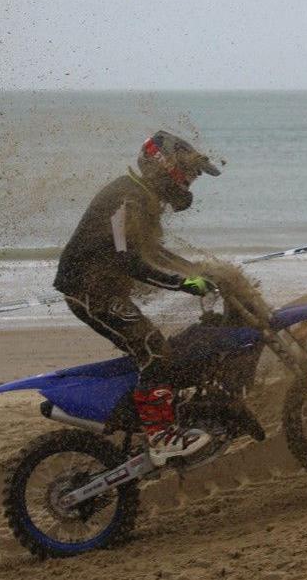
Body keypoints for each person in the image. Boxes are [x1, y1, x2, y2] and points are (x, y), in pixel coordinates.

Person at [53, 131, 221, 467]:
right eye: (188, 174)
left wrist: (202, 271)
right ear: (166, 165)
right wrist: (184, 282)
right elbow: (127, 259)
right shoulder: (128, 198)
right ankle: (161, 438)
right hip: (90, 290)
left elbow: (152, 251)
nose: (190, 183)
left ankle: (159, 416)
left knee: (161, 352)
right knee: (153, 350)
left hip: (102, 287)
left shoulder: (143, 198)